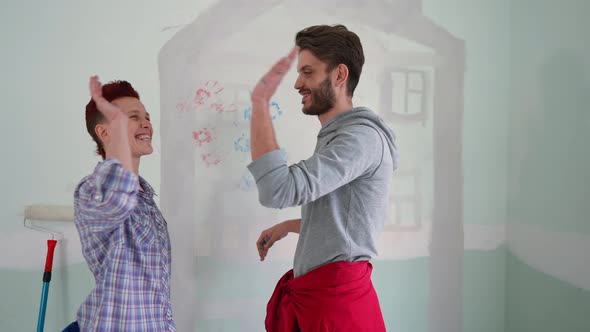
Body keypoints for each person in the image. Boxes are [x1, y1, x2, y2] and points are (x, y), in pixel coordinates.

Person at [248, 24, 398, 331]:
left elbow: (278, 191)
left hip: (336, 311)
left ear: (339, 75)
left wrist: (260, 103)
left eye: (308, 72)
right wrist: (290, 226)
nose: (298, 83)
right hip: (330, 304)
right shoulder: (341, 136)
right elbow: (349, 219)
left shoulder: (359, 140)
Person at [63, 76, 175, 331]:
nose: (146, 123)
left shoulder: (146, 200)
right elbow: (116, 204)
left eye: (146, 117)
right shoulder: (92, 190)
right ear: (104, 131)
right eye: (132, 117)